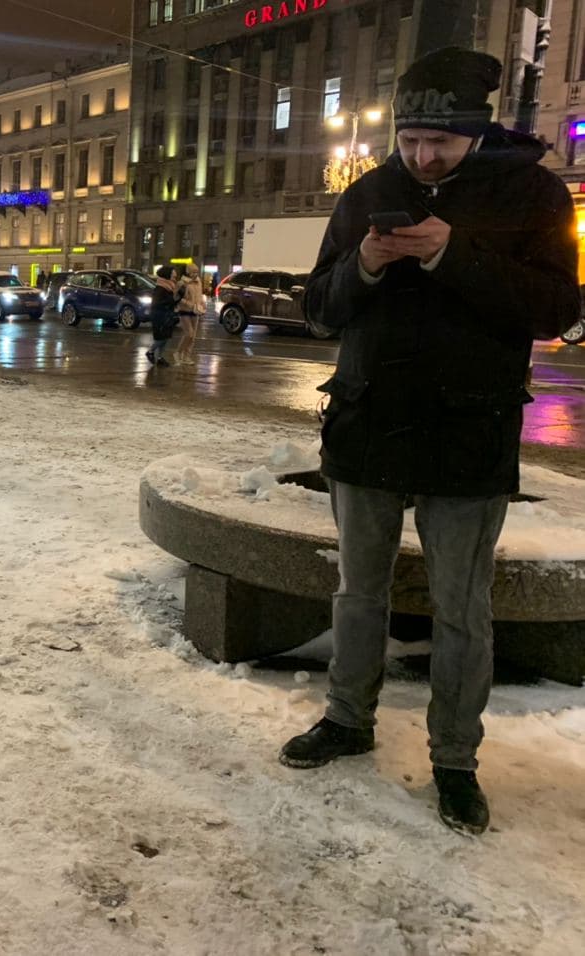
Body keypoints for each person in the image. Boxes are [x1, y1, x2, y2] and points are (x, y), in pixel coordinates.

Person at [278, 48, 579, 836]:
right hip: (368, 421)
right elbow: (319, 309)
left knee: (462, 610)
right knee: (357, 592)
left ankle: (455, 760)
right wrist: (364, 265)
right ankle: (347, 719)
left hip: (468, 429)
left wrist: (454, 254)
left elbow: (557, 309)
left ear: (476, 132)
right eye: (410, 140)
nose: (421, 156)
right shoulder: (369, 193)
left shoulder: (532, 193)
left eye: (439, 141)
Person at [144, 264, 178, 367]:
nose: (175, 276)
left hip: (166, 316)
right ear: (167, 275)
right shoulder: (161, 288)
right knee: (161, 338)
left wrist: (177, 298)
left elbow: (172, 302)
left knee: (165, 338)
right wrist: (172, 300)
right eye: (173, 274)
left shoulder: (169, 287)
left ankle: (160, 357)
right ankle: (150, 351)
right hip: (159, 316)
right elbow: (157, 303)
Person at [172, 263, 204, 366]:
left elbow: (200, 295)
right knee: (189, 333)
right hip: (184, 311)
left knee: (193, 336)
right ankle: (178, 353)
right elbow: (175, 297)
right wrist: (187, 303)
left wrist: (202, 304)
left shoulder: (198, 282)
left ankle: (187, 356)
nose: (195, 274)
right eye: (193, 272)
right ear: (188, 272)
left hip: (195, 311)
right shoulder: (182, 283)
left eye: (196, 272)